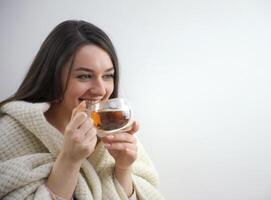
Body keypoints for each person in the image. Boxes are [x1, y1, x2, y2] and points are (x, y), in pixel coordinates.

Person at [0, 20, 164, 200]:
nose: (101, 90)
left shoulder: (115, 131)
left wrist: (123, 169)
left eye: (108, 75)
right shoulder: (7, 135)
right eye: (85, 76)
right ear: (53, 77)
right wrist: (69, 160)